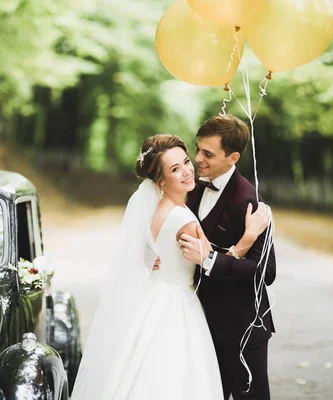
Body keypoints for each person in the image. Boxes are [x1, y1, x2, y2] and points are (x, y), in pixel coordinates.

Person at [71, 134, 224, 400]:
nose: (187, 171)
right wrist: (249, 236)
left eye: (186, 162)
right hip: (176, 303)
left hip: (154, 298)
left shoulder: (158, 209)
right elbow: (211, 258)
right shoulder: (182, 219)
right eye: (175, 169)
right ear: (161, 180)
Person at [178, 114, 277, 400]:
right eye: (197, 149)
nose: (197, 159)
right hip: (201, 323)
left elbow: (265, 271)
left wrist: (210, 260)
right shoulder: (194, 188)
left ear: (233, 158)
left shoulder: (249, 200)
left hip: (242, 328)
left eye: (208, 153)